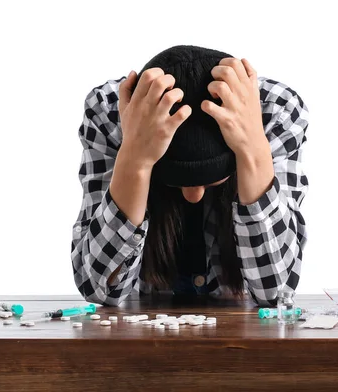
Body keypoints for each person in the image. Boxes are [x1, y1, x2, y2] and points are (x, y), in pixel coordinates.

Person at [71, 45, 309, 307]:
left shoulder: (274, 112)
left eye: (209, 180)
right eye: (175, 180)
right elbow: (99, 289)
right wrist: (134, 159)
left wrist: (253, 148)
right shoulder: (110, 113)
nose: (193, 196)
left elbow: (276, 292)